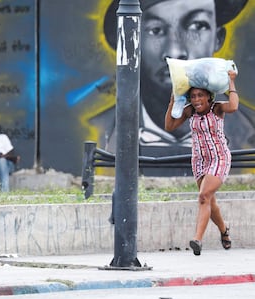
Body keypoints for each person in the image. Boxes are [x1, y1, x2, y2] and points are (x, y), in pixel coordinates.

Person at [98, 0, 255, 176]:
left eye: (197, 26)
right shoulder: (96, 133)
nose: (174, 51)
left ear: (218, 39)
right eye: (155, 30)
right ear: (133, 42)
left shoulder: (249, 131)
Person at [164, 70, 237, 256]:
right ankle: (224, 230)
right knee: (209, 200)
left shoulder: (218, 108)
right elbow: (169, 126)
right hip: (199, 161)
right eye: (193, 96)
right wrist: (173, 101)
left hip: (219, 157)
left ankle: (197, 239)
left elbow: (234, 106)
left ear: (208, 97)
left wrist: (231, 81)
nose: (196, 100)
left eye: (200, 96)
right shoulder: (189, 111)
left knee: (203, 196)